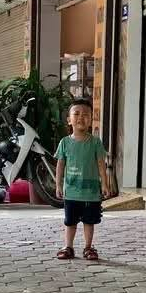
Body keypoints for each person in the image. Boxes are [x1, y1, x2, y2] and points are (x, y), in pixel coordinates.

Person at [55, 99, 111, 261]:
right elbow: (60, 165)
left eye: (86, 114)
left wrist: (105, 184)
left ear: (91, 119)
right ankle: (68, 247)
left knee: (89, 221)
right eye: (76, 114)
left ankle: (88, 247)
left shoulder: (95, 142)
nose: (81, 117)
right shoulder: (65, 142)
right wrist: (58, 185)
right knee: (70, 221)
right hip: (71, 192)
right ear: (69, 119)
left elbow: (101, 164)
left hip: (90, 193)